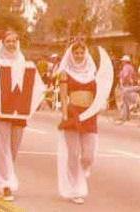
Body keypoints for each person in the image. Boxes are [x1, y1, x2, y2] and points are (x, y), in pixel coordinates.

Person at [0, 29, 37, 202]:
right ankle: (5, 184)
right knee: (2, 148)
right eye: (8, 41)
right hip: (1, 110)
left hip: (19, 111)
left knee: (13, 148)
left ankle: (6, 176)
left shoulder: (23, 62)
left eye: (15, 40)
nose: (12, 44)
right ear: (2, 43)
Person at [55, 39, 106, 204]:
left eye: (81, 52)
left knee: (88, 156)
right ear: (71, 54)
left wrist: (101, 104)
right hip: (73, 113)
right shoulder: (65, 73)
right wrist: (64, 114)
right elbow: (63, 96)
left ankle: (81, 174)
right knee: (73, 153)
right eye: (75, 53)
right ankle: (75, 188)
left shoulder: (92, 72)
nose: (78, 55)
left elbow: (100, 93)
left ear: (85, 54)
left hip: (89, 114)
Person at [115, 55, 139, 124]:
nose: (122, 62)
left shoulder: (125, 67)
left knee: (124, 101)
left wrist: (122, 79)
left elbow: (125, 75)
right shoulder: (131, 67)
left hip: (126, 85)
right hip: (130, 85)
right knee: (125, 101)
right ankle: (126, 116)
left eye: (123, 61)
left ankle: (123, 116)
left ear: (125, 61)